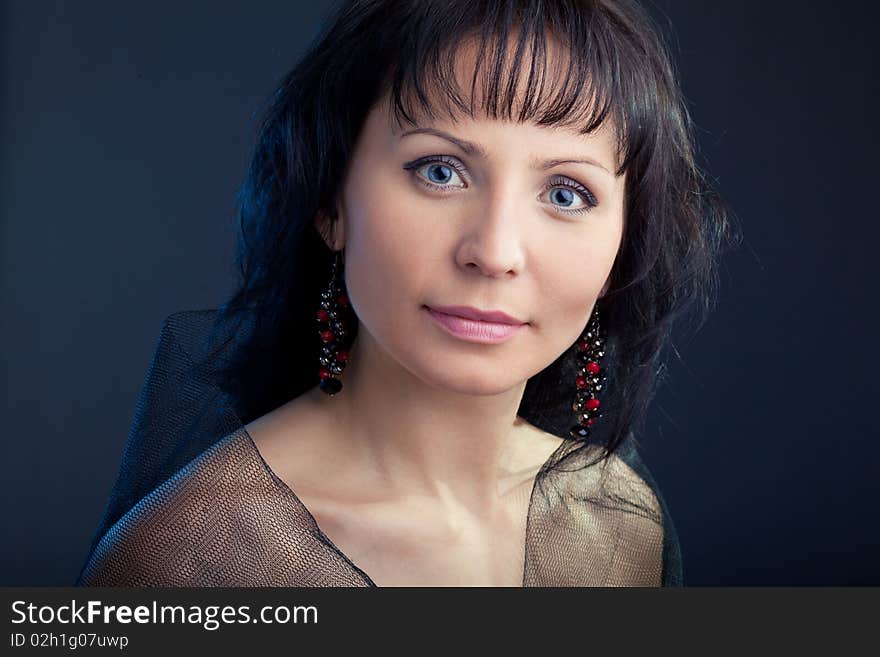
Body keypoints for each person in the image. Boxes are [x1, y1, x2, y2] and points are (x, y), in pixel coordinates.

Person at [76, 0, 736, 587]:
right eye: (440, 170)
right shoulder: (192, 559)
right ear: (330, 203)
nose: (494, 251)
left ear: (625, 246)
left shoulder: (618, 519)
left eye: (567, 193)